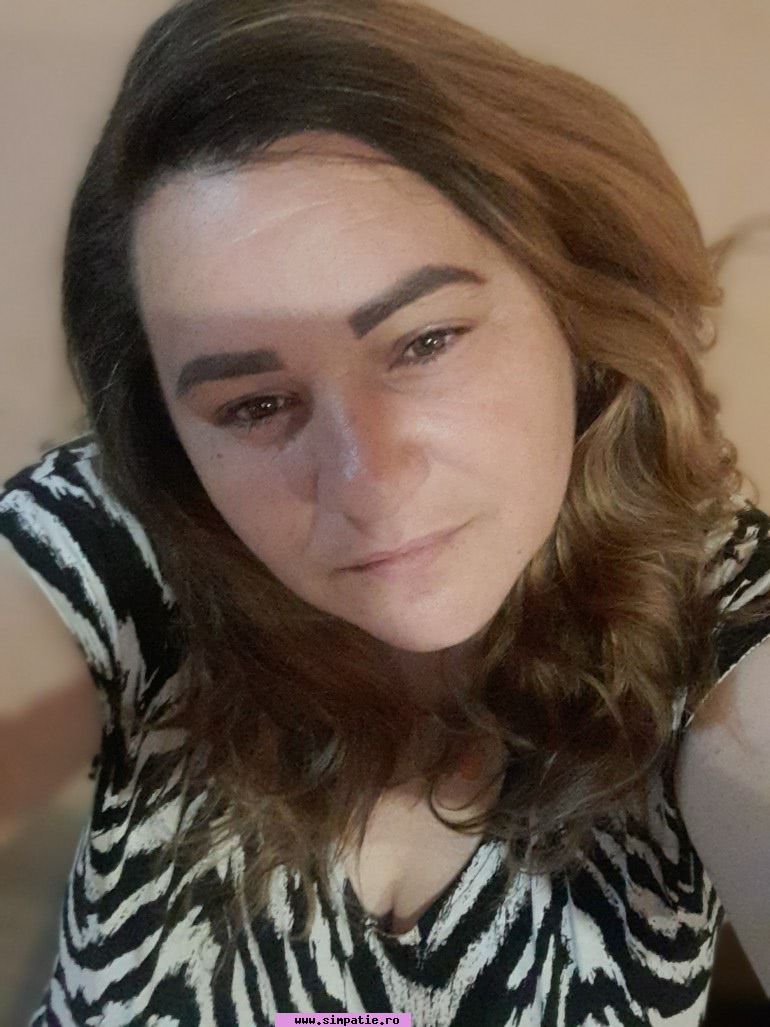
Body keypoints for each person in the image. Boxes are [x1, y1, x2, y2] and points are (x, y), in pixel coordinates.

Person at [1, 0, 768, 1023]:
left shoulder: (714, 595)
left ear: (572, 303)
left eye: (424, 341)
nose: (367, 484)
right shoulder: (108, 545)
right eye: (255, 405)